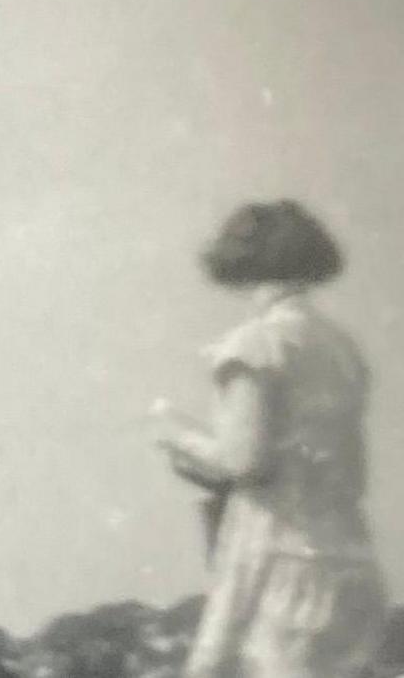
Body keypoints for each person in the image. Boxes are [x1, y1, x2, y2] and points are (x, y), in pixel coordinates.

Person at [153, 199, 388, 677]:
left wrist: (177, 436)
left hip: (279, 564)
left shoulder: (255, 345)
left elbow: (245, 462)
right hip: (349, 561)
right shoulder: (343, 349)